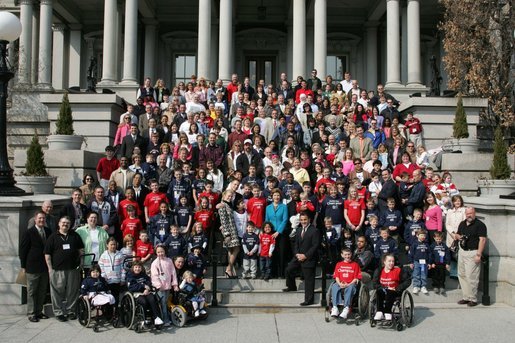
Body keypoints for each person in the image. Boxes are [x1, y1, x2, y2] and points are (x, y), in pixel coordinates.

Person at [44, 216, 85, 322]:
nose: (65, 224)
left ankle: (71, 311)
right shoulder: (53, 237)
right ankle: (58, 312)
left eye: (67, 223)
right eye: (63, 222)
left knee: (72, 291)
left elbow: (81, 250)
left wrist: (81, 263)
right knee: (57, 292)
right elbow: (47, 254)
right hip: (57, 270)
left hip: (73, 269)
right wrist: (50, 269)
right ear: (59, 223)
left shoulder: (75, 235)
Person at [20, 211, 53, 322]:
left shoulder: (48, 231)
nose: (41, 220)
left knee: (42, 290)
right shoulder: (29, 233)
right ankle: (31, 313)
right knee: (32, 291)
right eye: (39, 218)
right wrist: (23, 266)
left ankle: (39, 311)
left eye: (43, 218)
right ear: (35, 219)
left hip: (44, 266)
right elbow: (23, 250)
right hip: (32, 266)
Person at [283, 212, 321, 306]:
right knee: (288, 269)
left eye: (305, 219)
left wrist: (305, 256)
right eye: (301, 220)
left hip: (309, 258)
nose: (303, 221)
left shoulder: (315, 231)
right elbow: (296, 244)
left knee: (309, 280)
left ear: (309, 220)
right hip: (298, 257)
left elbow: (315, 246)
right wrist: (297, 254)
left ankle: (309, 300)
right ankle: (291, 286)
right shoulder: (299, 230)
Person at [455, 207, 488, 307]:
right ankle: (466, 297)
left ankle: (473, 299)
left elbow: (482, 240)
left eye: (471, 213)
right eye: (467, 213)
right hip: (462, 252)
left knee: (471, 277)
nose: (469, 215)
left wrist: (479, 254)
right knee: (462, 275)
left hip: (473, 253)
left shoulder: (480, 225)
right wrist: (458, 237)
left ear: (474, 213)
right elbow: (457, 234)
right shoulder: (462, 223)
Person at [372, 254, 410, 321]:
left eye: (393, 261)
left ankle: (387, 312)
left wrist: (397, 288)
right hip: (383, 291)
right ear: (384, 262)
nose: (391, 263)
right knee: (379, 291)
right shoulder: (379, 271)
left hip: (395, 291)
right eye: (389, 261)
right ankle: (379, 311)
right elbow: (375, 284)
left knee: (390, 292)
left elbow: (407, 281)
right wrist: (385, 288)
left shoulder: (398, 270)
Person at [127, 261, 163, 326]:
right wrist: (143, 286)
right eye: (136, 267)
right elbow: (131, 287)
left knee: (152, 298)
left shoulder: (143, 274)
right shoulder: (130, 275)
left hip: (146, 291)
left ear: (141, 268)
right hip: (137, 293)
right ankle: (145, 318)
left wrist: (147, 288)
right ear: (133, 268)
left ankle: (156, 318)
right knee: (143, 301)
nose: (137, 269)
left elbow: (148, 281)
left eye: (139, 267)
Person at [151, 245, 179, 327]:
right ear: (156, 253)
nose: (160, 253)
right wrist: (159, 285)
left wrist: (175, 284)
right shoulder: (154, 263)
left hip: (168, 286)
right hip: (160, 288)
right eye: (158, 252)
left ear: (165, 251)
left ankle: (168, 317)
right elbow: (154, 276)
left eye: (162, 251)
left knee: (166, 303)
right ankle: (165, 319)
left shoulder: (169, 261)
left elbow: (173, 273)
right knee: (162, 303)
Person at [330, 248, 362, 319]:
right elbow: (336, 277)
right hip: (340, 283)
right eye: (345, 255)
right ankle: (335, 307)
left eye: (349, 254)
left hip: (351, 284)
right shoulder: (338, 264)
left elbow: (356, 278)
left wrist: (348, 284)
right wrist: (340, 284)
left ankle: (346, 307)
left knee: (350, 287)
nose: (347, 256)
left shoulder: (355, 265)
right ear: (342, 255)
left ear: (351, 254)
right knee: (334, 286)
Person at [218, 189, 241, 278]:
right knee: (236, 249)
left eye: (231, 196)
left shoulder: (227, 204)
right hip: (229, 231)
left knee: (231, 251)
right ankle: (228, 268)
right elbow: (223, 220)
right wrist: (227, 234)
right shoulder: (222, 205)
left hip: (232, 229)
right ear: (223, 196)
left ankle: (230, 272)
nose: (230, 197)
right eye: (228, 195)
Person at [98, 237, 126, 303]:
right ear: (107, 245)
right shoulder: (103, 255)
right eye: (111, 244)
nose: (113, 246)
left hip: (117, 280)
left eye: (114, 244)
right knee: (108, 298)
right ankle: (109, 312)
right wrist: (103, 276)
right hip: (107, 280)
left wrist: (123, 279)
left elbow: (123, 268)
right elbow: (101, 267)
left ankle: (116, 311)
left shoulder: (120, 255)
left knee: (116, 297)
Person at [408, 229, 431, 295]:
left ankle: (423, 286)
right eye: (421, 235)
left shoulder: (426, 244)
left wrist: (429, 262)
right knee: (416, 273)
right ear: (417, 235)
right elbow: (411, 254)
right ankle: (416, 286)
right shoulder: (414, 244)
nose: (423, 237)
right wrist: (411, 262)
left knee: (424, 274)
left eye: (424, 235)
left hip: (424, 262)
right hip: (416, 262)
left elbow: (429, 254)